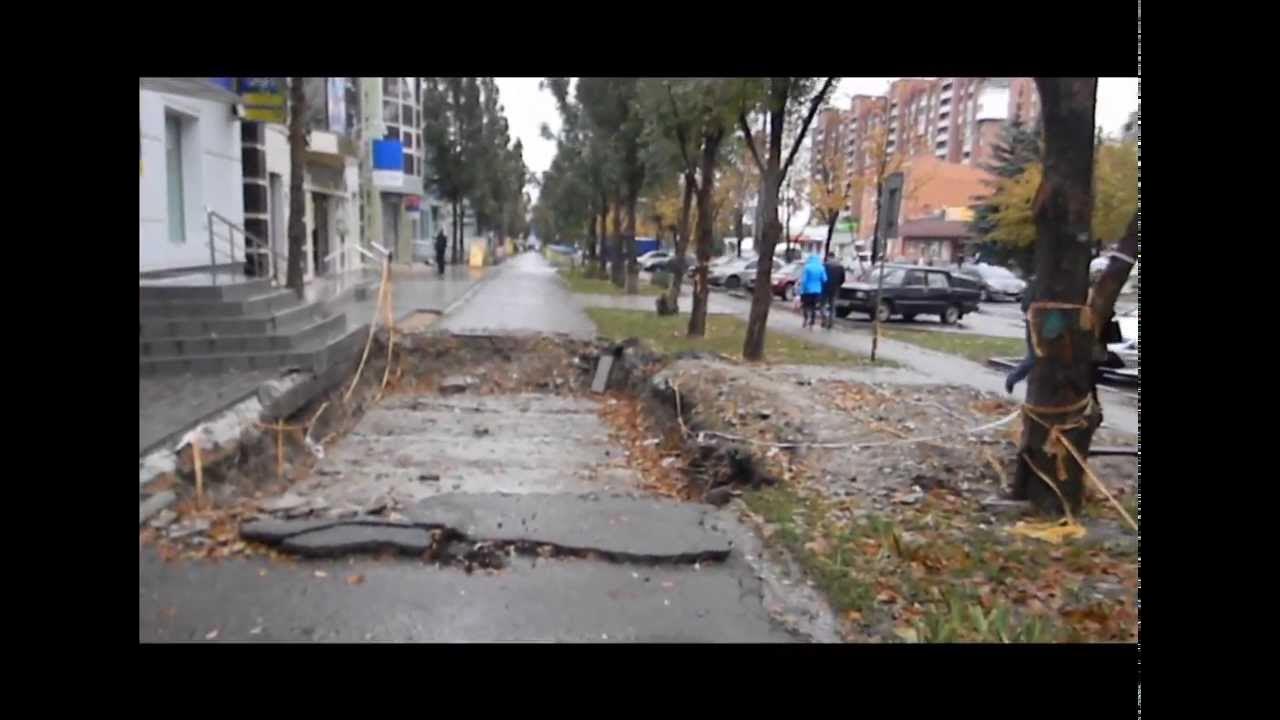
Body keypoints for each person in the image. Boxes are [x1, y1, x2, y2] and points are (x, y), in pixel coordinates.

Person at [1005, 283, 1036, 394]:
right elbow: (1024, 305)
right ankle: (1012, 378)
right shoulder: (1037, 282)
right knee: (1035, 356)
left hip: (1047, 323)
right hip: (1034, 322)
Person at [799, 253, 827, 329]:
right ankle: (812, 321)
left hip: (807, 290)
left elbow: (804, 280)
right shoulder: (821, 268)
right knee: (813, 307)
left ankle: (805, 319)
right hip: (817, 290)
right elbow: (824, 279)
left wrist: (801, 289)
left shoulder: (807, 267)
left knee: (805, 306)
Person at [821, 253, 846, 330]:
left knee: (823, 305)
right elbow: (843, 279)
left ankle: (824, 320)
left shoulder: (824, 266)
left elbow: (822, 277)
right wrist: (838, 284)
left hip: (825, 288)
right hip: (835, 288)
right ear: (834, 257)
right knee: (832, 306)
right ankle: (831, 322)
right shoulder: (840, 266)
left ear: (828, 257)